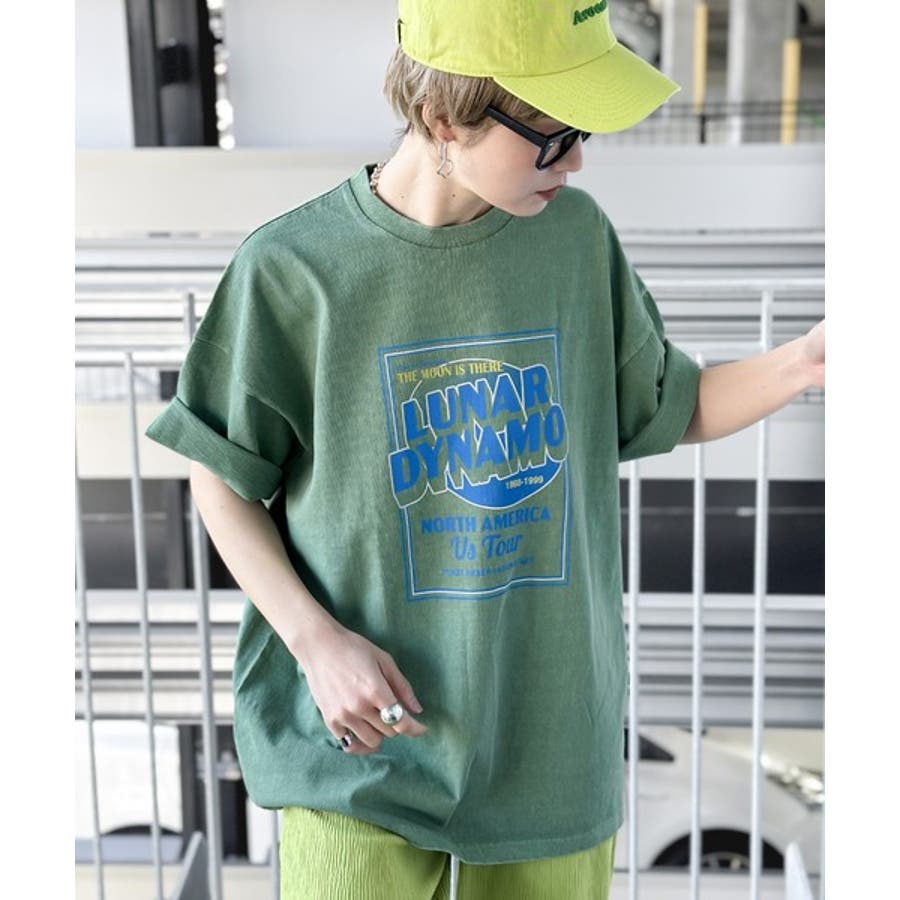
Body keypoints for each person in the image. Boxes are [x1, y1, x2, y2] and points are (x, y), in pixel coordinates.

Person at [145, 1, 826, 897]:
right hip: (362, 739)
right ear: (442, 119)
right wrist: (315, 643)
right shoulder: (295, 268)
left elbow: (668, 404)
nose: (575, 161)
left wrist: (809, 361)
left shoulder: (575, 242)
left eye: (581, 132)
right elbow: (222, 475)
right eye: (552, 136)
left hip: (547, 740)